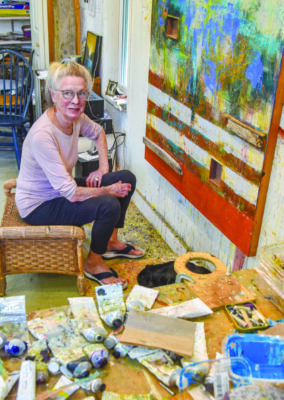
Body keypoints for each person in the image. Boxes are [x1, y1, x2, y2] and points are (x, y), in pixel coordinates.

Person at [15, 61, 144, 288]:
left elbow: (99, 132)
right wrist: (106, 190)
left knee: (126, 179)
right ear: (53, 95)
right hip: (40, 204)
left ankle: (111, 243)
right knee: (108, 204)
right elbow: (72, 193)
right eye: (67, 93)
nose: (75, 101)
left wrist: (103, 167)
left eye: (81, 93)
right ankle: (94, 263)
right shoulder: (42, 135)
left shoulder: (75, 119)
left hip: (61, 188)